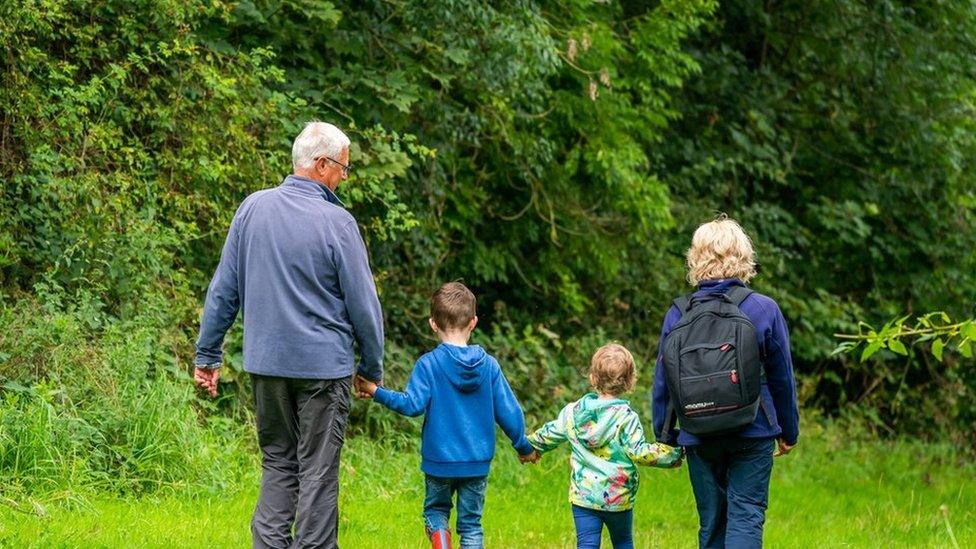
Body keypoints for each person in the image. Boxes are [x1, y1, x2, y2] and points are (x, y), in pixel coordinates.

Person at [194, 121, 384, 548]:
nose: (343, 179)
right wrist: (371, 368)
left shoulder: (252, 209)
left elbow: (224, 290)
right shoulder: (339, 223)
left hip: (268, 367)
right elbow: (364, 307)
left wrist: (208, 356)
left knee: (278, 464)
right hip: (322, 371)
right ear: (320, 165)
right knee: (317, 471)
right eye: (342, 169)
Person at [652, 214, 799, 549]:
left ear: (696, 259)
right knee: (746, 515)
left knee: (713, 522)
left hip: (698, 433)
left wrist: (666, 435)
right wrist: (788, 431)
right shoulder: (764, 309)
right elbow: (782, 378)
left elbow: (663, 381)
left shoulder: (678, 313)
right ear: (744, 258)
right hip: (754, 429)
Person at [356, 281, 537, 549]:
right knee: (472, 525)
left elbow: (411, 405)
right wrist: (523, 446)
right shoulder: (489, 367)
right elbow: (509, 411)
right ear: (473, 322)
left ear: (433, 323)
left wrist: (376, 391)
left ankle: (442, 543)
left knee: (436, 513)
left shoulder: (428, 364)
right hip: (476, 463)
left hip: (439, 461)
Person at [528, 343, 684, 549]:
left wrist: (527, 446)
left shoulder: (572, 413)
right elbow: (639, 452)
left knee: (586, 544)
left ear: (592, 377)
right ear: (630, 382)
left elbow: (550, 433)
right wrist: (674, 454)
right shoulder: (626, 418)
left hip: (584, 497)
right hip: (618, 497)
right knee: (623, 542)